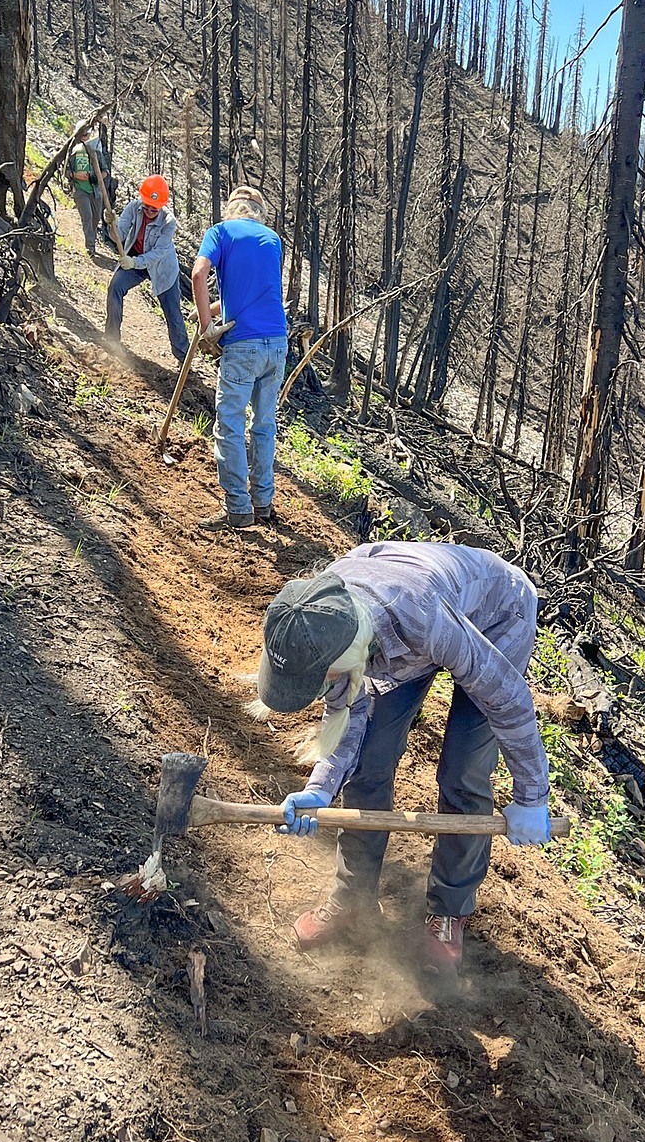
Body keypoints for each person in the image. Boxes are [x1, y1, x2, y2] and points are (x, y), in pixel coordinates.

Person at [251, 541, 554, 978]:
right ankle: (352, 897)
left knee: (463, 770)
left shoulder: (422, 619)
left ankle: (449, 909)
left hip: (495, 613)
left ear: (350, 657)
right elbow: (346, 712)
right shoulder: (319, 617)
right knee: (369, 759)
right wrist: (320, 788)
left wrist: (532, 796)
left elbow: (507, 699)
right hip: (405, 618)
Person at [191, 186, 288, 533]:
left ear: (231, 210)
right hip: (276, 342)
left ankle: (237, 509)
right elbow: (255, 293)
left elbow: (199, 274)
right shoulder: (273, 240)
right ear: (258, 214)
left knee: (230, 425)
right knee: (264, 425)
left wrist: (206, 327)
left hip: (243, 345)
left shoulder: (220, 232)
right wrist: (213, 310)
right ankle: (262, 503)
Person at [106, 175, 189, 363]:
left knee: (173, 312)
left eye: (155, 208)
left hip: (161, 268)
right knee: (115, 287)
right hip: (133, 258)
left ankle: (183, 356)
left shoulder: (169, 221)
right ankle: (111, 340)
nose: (150, 211)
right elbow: (118, 236)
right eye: (147, 206)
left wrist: (135, 263)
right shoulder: (133, 208)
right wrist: (110, 223)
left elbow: (159, 252)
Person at [67, 135, 107, 254]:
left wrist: (96, 177)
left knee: (96, 218)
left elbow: (105, 171)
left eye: (87, 135)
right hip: (80, 190)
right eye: (83, 134)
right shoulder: (74, 151)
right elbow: (66, 171)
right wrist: (75, 175)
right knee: (87, 216)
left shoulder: (97, 152)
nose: (85, 137)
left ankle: (92, 238)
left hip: (96, 191)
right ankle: (90, 246)